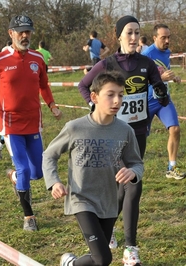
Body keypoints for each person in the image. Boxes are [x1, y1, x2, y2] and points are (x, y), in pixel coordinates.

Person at [78, 15, 169, 266]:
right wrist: (96, 107)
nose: (133, 37)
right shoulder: (107, 64)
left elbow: (160, 93)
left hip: (138, 134)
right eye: (128, 32)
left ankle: (106, 228)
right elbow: (84, 86)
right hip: (113, 134)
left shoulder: (147, 63)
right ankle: (131, 249)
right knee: (133, 185)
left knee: (121, 189)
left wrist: (161, 93)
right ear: (118, 36)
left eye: (137, 33)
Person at [43, 71, 144, 266]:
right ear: (94, 97)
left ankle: (71, 264)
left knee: (99, 260)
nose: (117, 100)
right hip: (81, 198)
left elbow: (137, 163)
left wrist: (133, 173)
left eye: (121, 95)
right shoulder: (75, 128)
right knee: (103, 258)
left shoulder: (125, 131)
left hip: (109, 202)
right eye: (110, 94)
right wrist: (53, 181)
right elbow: (49, 155)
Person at [0, 15, 63, 231]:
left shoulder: (37, 59)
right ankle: (29, 217)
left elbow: (44, 85)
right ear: (11, 33)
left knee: (38, 172)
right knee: (24, 169)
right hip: (11, 124)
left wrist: (52, 105)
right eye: (21, 32)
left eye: (28, 32)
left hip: (34, 123)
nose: (25, 36)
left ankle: (14, 177)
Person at [142, 23, 186, 180]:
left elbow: (163, 70)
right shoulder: (147, 54)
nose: (167, 40)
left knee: (175, 129)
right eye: (163, 38)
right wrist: (161, 78)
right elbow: (139, 80)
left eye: (169, 37)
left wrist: (173, 77)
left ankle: (172, 167)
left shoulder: (167, 52)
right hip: (146, 101)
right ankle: (129, 168)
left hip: (163, 99)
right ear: (154, 38)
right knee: (139, 137)